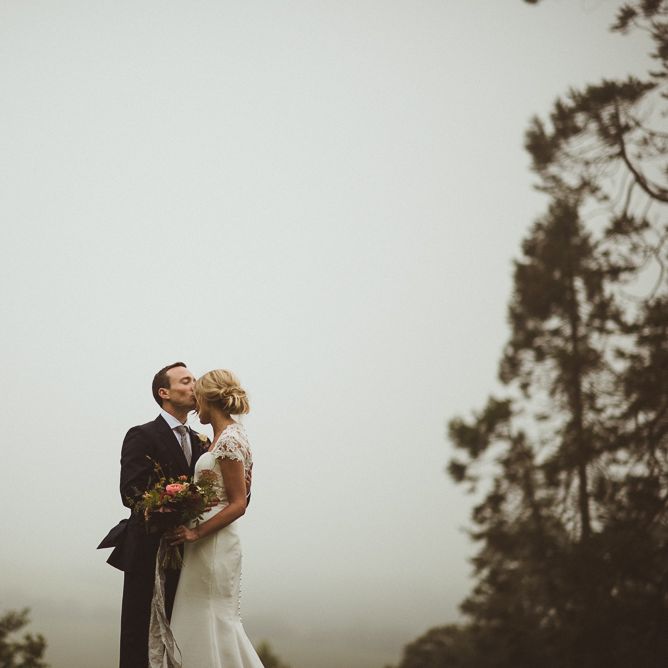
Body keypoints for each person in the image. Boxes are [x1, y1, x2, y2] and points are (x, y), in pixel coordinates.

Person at [98, 362, 209, 668]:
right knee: (140, 633)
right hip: (148, 550)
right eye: (186, 381)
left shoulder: (202, 441)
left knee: (181, 631)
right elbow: (131, 492)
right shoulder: (142, 435)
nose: (194, 385)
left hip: (189, 551)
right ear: (164, 393)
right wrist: (172, 506)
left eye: (195, 379)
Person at [156, 369, 263, 668]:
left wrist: (195, 533)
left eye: (198, 399)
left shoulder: (229, 439)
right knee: (202, 615)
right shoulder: (222, 438)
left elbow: (238, 504)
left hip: (213, 542)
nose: (195, 406)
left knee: (210, 615)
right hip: (206, 542)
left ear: (208, 399)